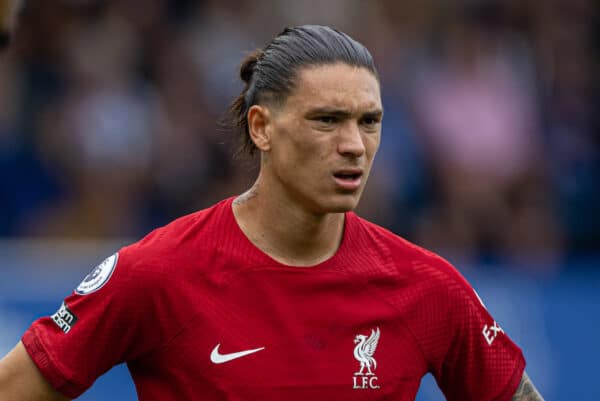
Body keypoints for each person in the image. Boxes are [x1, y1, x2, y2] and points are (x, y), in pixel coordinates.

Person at [0, 25, 544, 401]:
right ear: (261, 127)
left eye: (369, 121)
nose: (354, 144)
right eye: (327, 120)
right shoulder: (159, 272)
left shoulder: (428, 288)